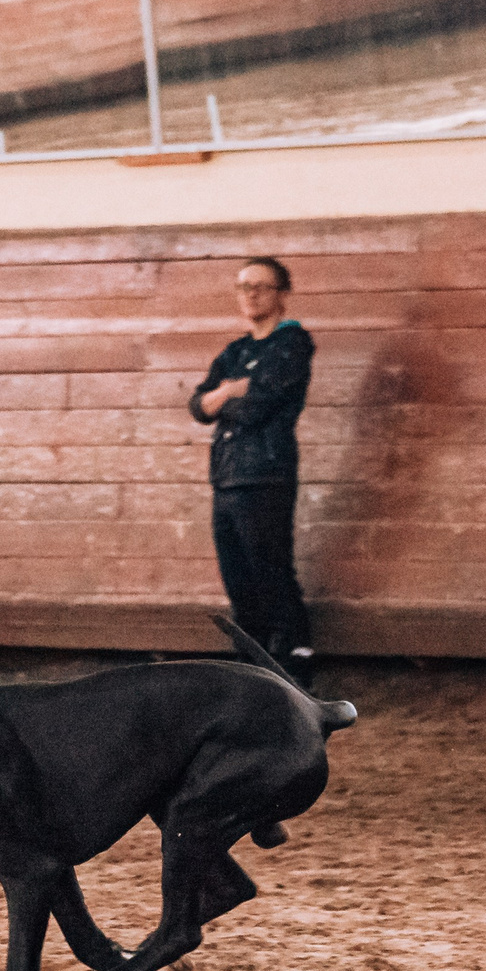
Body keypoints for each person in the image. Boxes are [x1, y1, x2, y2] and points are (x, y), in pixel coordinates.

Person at [189, 255, 316, 683]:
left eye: (261, 286)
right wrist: (230, 389)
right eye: (244, 286)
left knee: (270, 568)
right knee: (237, 577)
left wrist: (227, 398)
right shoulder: (236, 351)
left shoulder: (292, 343)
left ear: (281, 295)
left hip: (265, 472)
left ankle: (296, 659)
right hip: (226, 476)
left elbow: (258, 407)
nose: (251, 295)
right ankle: (254, 667)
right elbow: (198, 406)